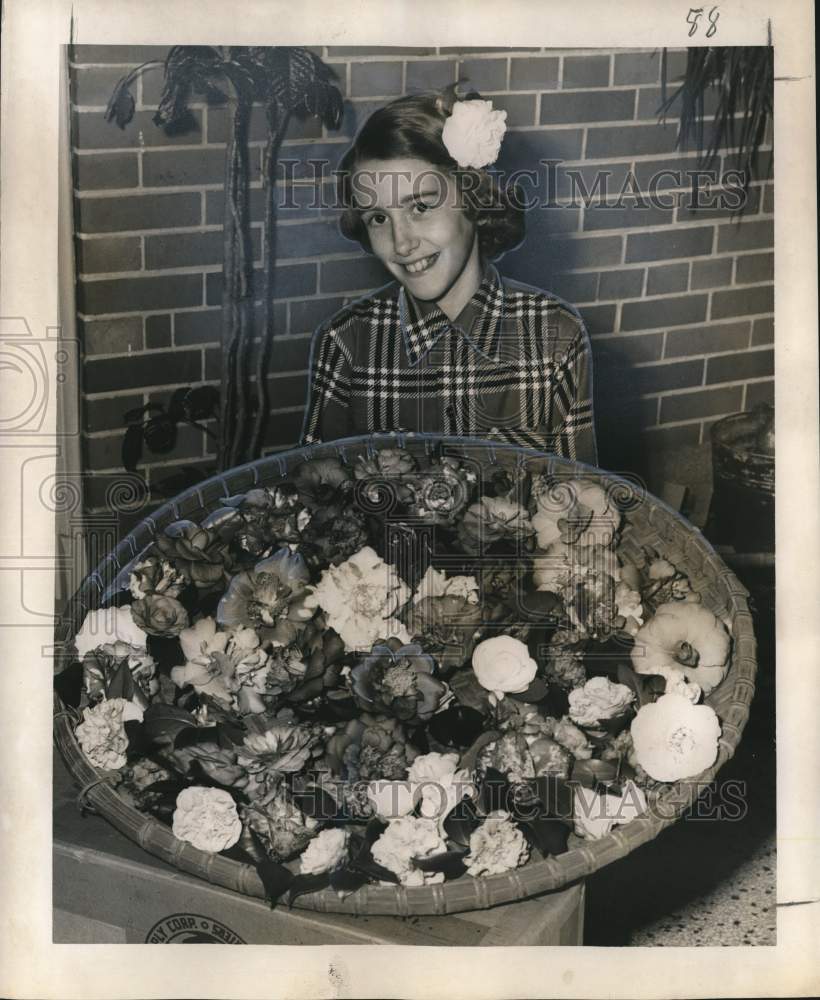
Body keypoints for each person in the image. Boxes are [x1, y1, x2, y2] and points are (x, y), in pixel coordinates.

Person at [300, 87, 598, 466]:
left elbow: (580, 502)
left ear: (474, 198)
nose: (402, 242)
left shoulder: (556, 335)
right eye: (378, 218)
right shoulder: (344, 342)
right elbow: (316, 495)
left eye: (421, 206)